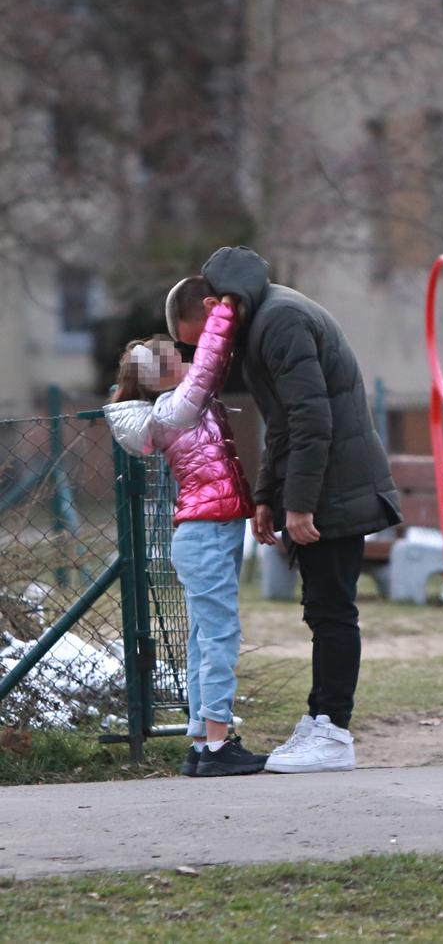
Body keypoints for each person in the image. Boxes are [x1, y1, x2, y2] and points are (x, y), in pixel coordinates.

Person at [165, 246, 402, 773]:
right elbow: (282, 424)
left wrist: (298, 503)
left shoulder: (282, 320)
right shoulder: (262, 324)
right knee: (322, 609)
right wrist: (268, 497)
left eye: (197, 340)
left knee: (334, 610)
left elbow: (312, 418)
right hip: (321, 486)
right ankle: (321, 721)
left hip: (336, 487)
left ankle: (333, 732)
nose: (203, 355)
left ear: (211, 307)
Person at [104, 298, 267, 778]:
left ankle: (201, 741)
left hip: (207, 529)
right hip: (208, 530)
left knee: (202, 636)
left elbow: (213, 363)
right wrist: (224, 311)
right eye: (179, 359)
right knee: (220, 635)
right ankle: (218, 743)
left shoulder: (174, 408)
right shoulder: (177, 407)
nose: (191, 360)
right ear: (164, 375)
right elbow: (213, 358)